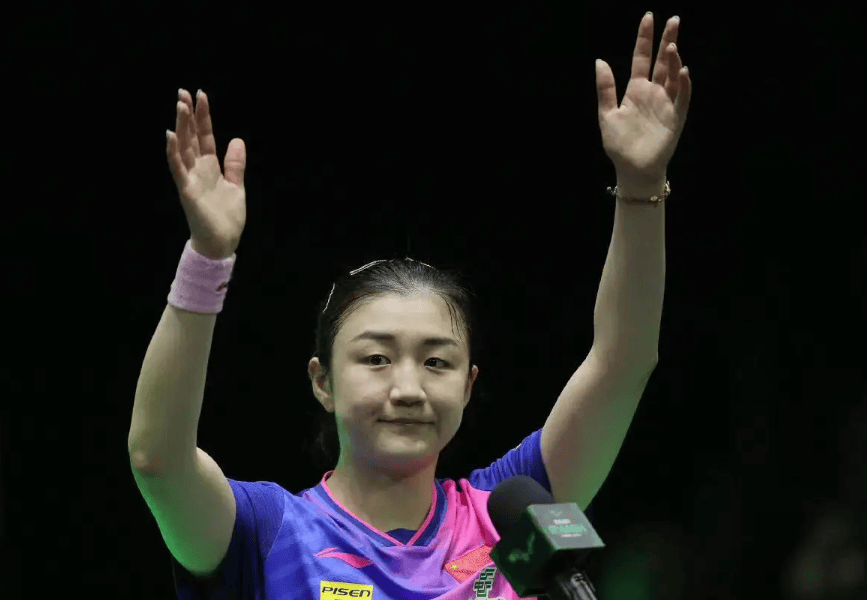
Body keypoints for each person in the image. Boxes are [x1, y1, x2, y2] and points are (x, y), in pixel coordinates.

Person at [128, 89, 591, 600]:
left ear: (468, 384)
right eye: (376, 359)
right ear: (322, 381)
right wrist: (208, 258)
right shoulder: (264, 531)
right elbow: (158, 460)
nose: (408, 389)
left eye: (437, 361)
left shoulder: (510, 513)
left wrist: (641, 192)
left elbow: (622, 360)